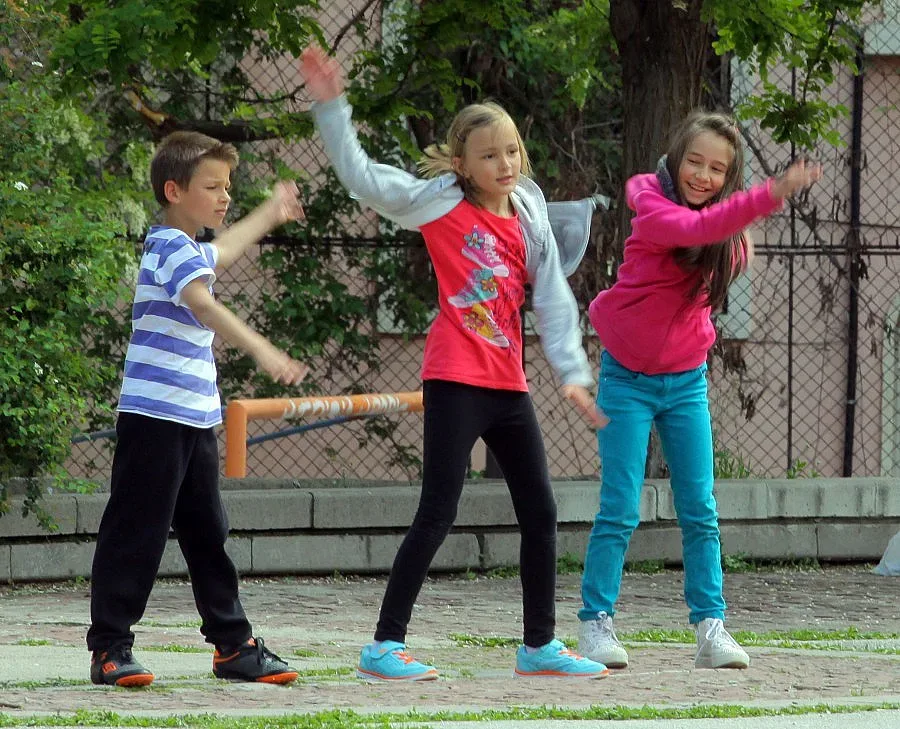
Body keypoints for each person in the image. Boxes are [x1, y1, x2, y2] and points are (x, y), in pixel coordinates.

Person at [299, 45, 609, 681]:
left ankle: (539, 645)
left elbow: (553, 298)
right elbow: (362, 177)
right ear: (462, 164)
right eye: (489, 155)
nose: (505, 163)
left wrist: (574, 374)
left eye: (512, 151)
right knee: (438, 511)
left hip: (509, 386)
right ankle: (384, 646)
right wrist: (332, 106)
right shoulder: (439, 205)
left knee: (541, 513)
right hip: (454, 380)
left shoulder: (529, 217)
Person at [577, 111, 823, 670]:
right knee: (620, 507)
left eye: (717, 169)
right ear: (676, 158)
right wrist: (772, 193)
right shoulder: (652, 204)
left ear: (728, 177)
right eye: (695, 162)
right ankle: (596, 622)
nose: (703, 176)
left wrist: (742, 234)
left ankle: (711, 627)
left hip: (686, 381)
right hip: (627, 379)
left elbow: (724, 244)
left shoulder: (722, 226)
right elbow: (696, 231)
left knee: (700, 509)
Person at [86, 131, 309, 687]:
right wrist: (260, 348)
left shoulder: (188, 248)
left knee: (209, 532)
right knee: (136, 531)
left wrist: (272, 211)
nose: (224, 196)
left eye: (227, 186)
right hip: (154, 418)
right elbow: (203, 305)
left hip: (194, 419)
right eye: (212, 187)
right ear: (174, 190)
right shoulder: (167, 245)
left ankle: (233, 647)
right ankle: (110, 648)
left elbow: (225, 250)